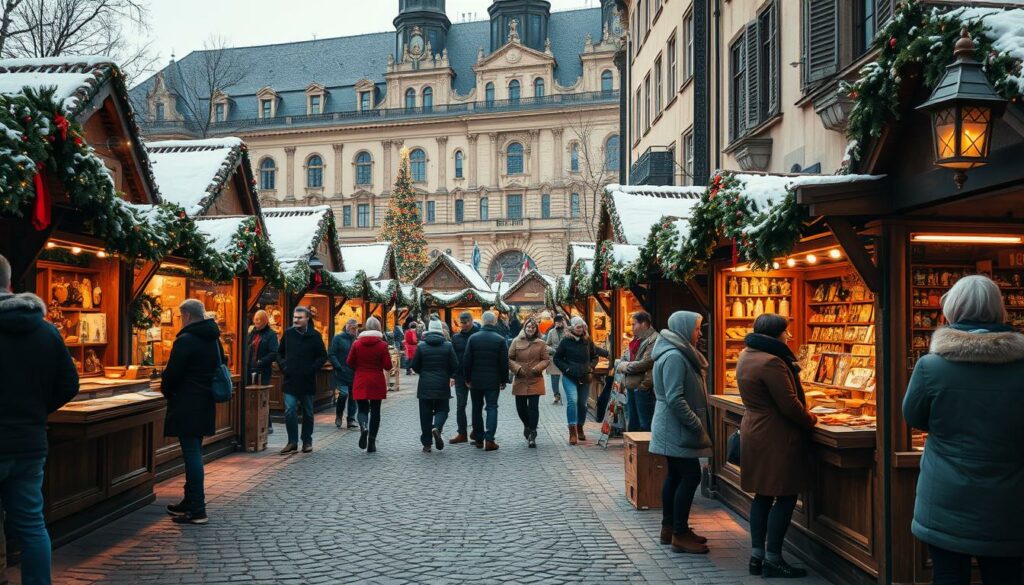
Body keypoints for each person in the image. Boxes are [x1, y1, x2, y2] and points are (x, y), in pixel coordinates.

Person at [904, 275, 1024, 585]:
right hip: (1009, 498)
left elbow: (914, 416)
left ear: (951, 310)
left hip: (945, 495)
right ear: (1000, 309)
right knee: (1005, 577)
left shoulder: (931, 366)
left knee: (947, 575)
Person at [0, 254, 79, 581]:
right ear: (9, 283)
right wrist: (36, 410)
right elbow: (69, 384)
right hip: (29, 443)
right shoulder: (45, 331)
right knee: (32, 527)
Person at [736, 313, 817, 577]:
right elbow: (789, 405)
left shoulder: (747, 354)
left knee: (762, 494)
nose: (788, 336)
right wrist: (811, 418)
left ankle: (757, 557)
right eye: (786, 332)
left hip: (756, 430)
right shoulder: (772, 361)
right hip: (775, 435)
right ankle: (773, 559)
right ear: (776, 334)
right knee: (785, 495)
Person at [649, 310, 712, 555]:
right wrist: (696, 423)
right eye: (696, 328)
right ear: (685, 329)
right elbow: (675, 398)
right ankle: (679, 533)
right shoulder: (675, 356)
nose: (699, 333)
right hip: (676, 427)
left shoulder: (676, 352)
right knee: (690, 476)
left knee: (675, 476)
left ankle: (671, 528)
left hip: (671, 426)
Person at [161, 299, 223, 525]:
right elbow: (221, 363)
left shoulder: (186, 340)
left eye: (180, 317)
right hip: (204, 401)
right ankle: (190, 501)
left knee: (192, 454)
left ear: (186, 315)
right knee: (194, 451)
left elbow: (172, 374)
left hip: (187, 403)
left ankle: (197, 509)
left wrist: (166, 388)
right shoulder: (213, 339)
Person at [277, 306, 327, 455]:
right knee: (290, 410)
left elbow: (322, 356)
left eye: (299, 317)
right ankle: (292, 442)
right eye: (294, 317)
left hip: (307, 380)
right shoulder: (288, 334)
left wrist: (311, 369)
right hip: (290, 379)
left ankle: (307, 441)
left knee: (308, 412)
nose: (296, 320)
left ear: (307, 319)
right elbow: (279, 353)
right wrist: (284, 366)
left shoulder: (315, 336)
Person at [553, 317, 608, 445]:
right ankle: (572, 431)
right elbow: (557, 358)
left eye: (582, 327)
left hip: (585, 376)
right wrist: (566, 369)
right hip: (569, 376)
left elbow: (595, 356)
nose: (580, 329)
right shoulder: (565, 341)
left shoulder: (587, 340)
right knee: (572, 400)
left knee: (582, 404)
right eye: (578, 327)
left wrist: (591, 367)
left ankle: (580, 427)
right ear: (572, 328)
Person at [462, 311, 509, 451]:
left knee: (476, 408)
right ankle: (489, 440)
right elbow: (503, 362)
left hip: (476, 380)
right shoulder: (500, 339)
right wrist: (503, 380)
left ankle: (478, 438)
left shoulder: (473, 338)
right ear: (494, 322)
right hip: (493, 380)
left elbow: (466, 360)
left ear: (482, 322)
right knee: (492, 407)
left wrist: (467, 378)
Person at [411, 320, 459, 452]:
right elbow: (455, 365)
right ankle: (436, 427)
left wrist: (423, 373)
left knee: (425, 414)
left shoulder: (421, 346)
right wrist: (448, 375)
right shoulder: (448, 346)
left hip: (425, 385)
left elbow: (414, 365)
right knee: (443, 409)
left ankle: (427, 444)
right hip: (442, 384)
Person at [348, 317, 393, 453]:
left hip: (361, 379)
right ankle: (372, 442)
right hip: (376, 380)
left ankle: (363, 426)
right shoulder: (382, 345)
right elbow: (387, 366)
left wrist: (359, 368)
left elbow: (349, 361)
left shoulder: (356, 343)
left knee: (362, 409)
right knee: (376, 411)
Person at [509, 316, 549, 448]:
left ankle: (533, 433)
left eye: (533, 327)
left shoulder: (541, 343)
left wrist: (538, 368)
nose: (530, 329)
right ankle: (527, 425)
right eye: (528, 327)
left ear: (536, 329)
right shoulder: (516, 341)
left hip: (535, 379)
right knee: (520, 407)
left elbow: (546, 360)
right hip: (520, 378)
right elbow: (509, 358)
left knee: (533, 407)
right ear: (524, 328)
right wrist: (517, 368)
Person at [617, 311, 659, 432]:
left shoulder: (654, 339)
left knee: (645, 423)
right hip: (632, 386)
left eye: (634, 324)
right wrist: (624, 364)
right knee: (633, 423)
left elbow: (646, 362)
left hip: (643, 387)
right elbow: (623, 358)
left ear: (644, 324)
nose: (632, 327)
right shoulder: (636, 340)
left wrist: (625, 367)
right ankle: (633, 450)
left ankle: (645, 451)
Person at [448, 311, 479, 444]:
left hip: (476, 375)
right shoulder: (456, 338)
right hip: (460, 376)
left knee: (477, 405)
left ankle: (477, 431)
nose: (464, 325)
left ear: (471, 321)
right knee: (461, 405)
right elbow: (453, 358)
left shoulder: (478, 336)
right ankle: (462, 433)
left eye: (466, 322)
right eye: (462, 323)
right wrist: (452, 375)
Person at [246, 309, 279, 434]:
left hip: (263, 370)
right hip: (249, 369)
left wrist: (261, 361)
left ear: (265, 321)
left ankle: (267, 424)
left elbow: (274, 352)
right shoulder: (252, 333)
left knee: (262, 397)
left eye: (259, 319)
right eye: (255, 319)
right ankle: (254, 423)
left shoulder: (270, 335)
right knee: (251, 398)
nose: (257, 322)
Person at [328, 319, 358, 429]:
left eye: (355, 328)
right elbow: (331, 354)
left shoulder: (356, 340)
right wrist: (338, 366)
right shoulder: (338, 338)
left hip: (354, 373)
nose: (354, 330)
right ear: (347, 326)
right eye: (352, 328)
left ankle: (351, 419)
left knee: (353, 397)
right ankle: (339, 415)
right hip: (341, 373)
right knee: (344, 394)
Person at [545, 314, 568, 404]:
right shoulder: (551, 332)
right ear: (554, 322)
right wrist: (553, 350)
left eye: (561, 321)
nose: (559, 323)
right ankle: (556, 395)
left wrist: (566, 327)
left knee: (566, 377)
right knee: (554, 377)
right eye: (557, 321)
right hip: (554, 358)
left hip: (566, 358)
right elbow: (546, 345)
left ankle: (568, 394)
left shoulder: (567, 331)